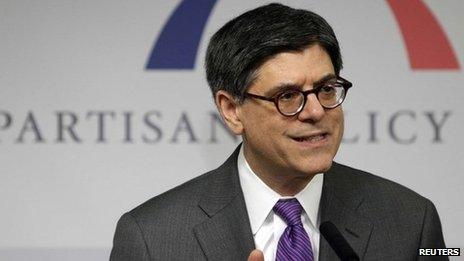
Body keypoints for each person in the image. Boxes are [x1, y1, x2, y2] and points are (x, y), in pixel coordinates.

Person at [110, 3, 446, 261]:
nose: (316, 112)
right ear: (232, 110)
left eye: (327, 88)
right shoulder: (152, 239)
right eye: (288, 96)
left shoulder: (411, 222)